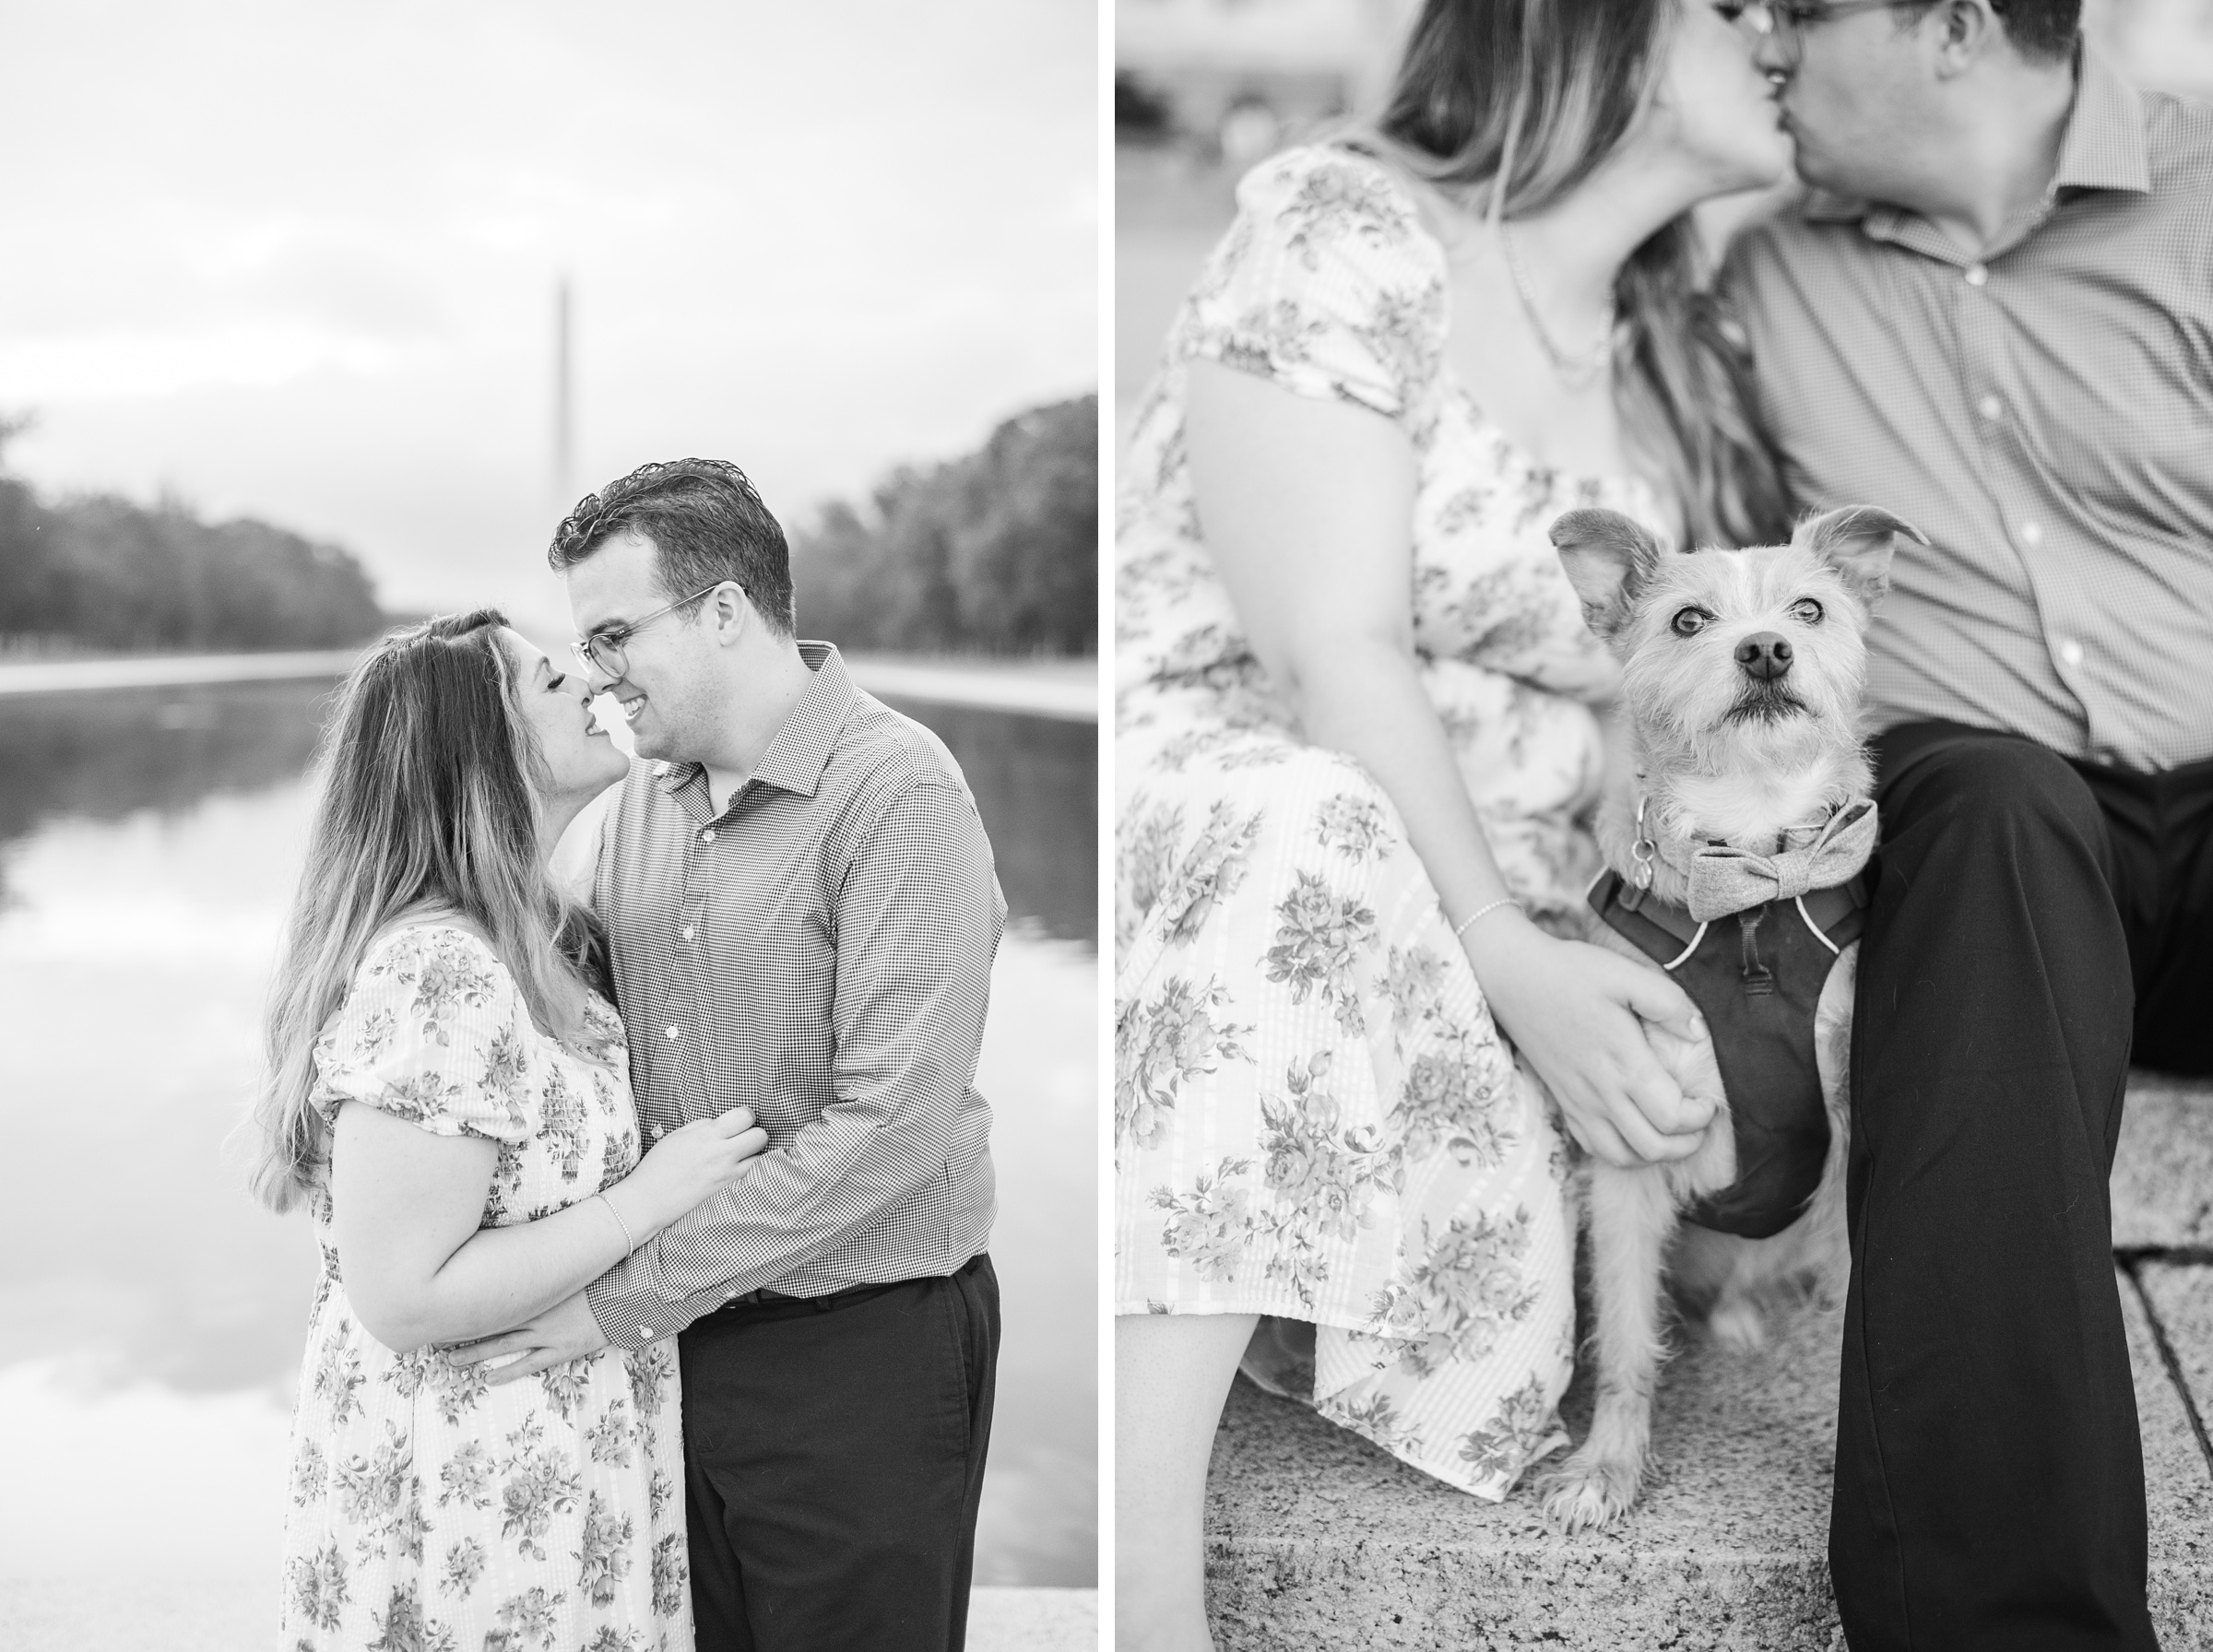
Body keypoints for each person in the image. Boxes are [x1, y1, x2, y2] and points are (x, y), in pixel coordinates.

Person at [1113, 1, 1802, 1644]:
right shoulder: (1348, 230)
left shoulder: (1673, 367)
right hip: (1244, 810)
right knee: (1310, 842)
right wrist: (1506, 945)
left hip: (1517, 892)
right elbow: (1327, 643)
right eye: (1737, 3)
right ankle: (1139, 1597)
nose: (1780, 24)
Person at [1716, 2, 2213, 1646]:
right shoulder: (1764, 280)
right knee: (1991, 801)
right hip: (1985, 816)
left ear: (1945, 25)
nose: (1763, 51)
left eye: (1793, 12)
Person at [444, 459, 1007, 1652]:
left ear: (722, 612)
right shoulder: (634, 807)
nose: (594, 676)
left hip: (860, 1352)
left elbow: (893, 1133)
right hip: (672, 1354)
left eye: (612, 635)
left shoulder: (899, 792)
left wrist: (620, 1299)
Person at [253, 610, 772, 1650]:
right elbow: (402, 1295)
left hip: (561, 1472)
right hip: (466, 1503)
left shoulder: (542, 937)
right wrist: (651, 1196)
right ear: (480, 750)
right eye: (549, 681)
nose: (588, 683)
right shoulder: (437, 971)